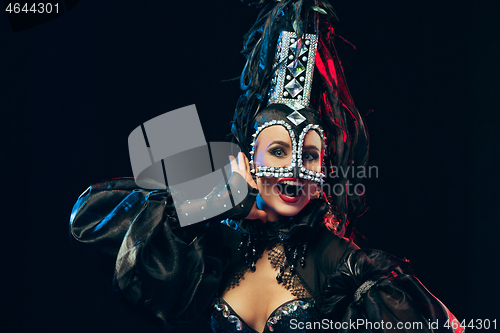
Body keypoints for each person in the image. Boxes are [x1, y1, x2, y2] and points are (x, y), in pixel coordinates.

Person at [70, 1, 463, 332]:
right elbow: (92, 222)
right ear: (248, 158)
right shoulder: (219, 243)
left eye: (308, 156)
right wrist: (214, 200)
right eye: (277, 151)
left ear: (323, 170)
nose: (293, 169)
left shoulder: (346, 266)